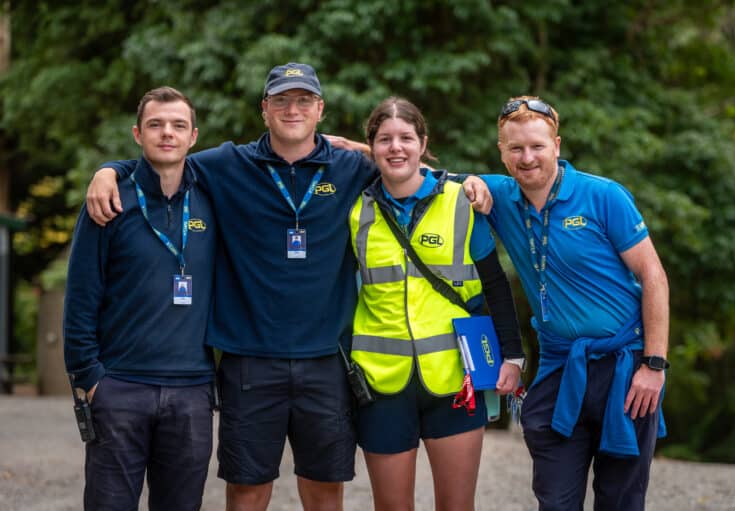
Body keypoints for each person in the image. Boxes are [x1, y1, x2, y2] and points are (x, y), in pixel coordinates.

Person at [84, 63, 493, 511]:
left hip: (327, 363)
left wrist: (467, 180)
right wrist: (109, 170)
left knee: (323, 490)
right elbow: (165, 156)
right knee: (247, 490)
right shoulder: (228, 165)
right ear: (264, 110)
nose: (291, 109)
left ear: (320, 109)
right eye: (280, 100)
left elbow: (409, 168)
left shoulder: (353, 167)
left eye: (303, 101)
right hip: (248, 362)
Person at [482, 96, 670, 510]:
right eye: (515, 148)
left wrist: (654, 365)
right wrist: (339, 148)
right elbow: (410, 169)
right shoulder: (497, 195)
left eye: (537, 146)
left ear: (557, 145)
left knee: (621, 498)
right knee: (555, 499)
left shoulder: (603, 196)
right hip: (558, 365)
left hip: (626, 367)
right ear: (502, 152)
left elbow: (653, 275)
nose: (527, 157)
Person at [348, 97, 526, 510]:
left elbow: (494, 284)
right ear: (371, 147)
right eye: (385, 139)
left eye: (406, 138)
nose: (396, 148)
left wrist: (512, 356)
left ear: (423, 143)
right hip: (380, 383)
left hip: (455, 380)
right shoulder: (355, 209)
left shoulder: (462, 199)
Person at [64, 87, 217, 510]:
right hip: (119, 387)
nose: (167, 133)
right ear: (137, 134)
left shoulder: (214, 197)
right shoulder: (109, 200)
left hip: (192, 390)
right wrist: (89, 379)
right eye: (155, 125)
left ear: (193, 136)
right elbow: (80, 294)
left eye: (178, 126)